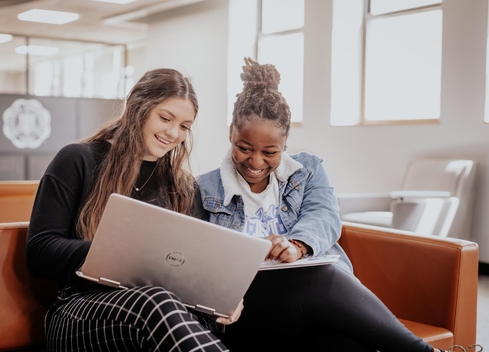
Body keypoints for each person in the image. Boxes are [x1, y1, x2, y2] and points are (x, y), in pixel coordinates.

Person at [196, 58, 482, 352]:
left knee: (345, 345)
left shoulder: (307, 170)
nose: (256, 162)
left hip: (306, 312)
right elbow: (195, 262)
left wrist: (298, 245)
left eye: (270, 152)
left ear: (285, 143)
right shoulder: (203, 189)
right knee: (314, 274)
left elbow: (325, 216)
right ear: (231, 132)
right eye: (244, 148)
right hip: (250, 314)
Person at [26, 68, 242, 352]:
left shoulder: (184, 187)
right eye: (165, 118)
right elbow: (39, 251)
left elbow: (193, 268)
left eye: (184, 126)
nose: (173, 133)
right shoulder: (78, 160)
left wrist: (219, 298)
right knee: (157, 301)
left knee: (173, 307)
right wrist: (115, 252)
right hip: (79, 311)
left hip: (158, 311)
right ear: (137, 108)